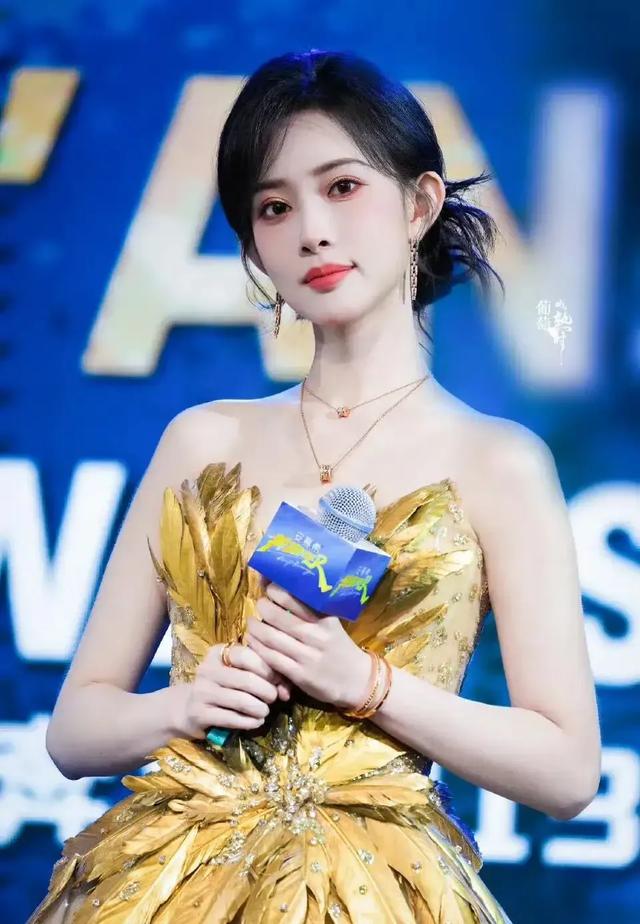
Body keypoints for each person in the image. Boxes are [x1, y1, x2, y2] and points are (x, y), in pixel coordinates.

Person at [29, 49, 601, 922]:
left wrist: (368, 685)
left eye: (342, 187)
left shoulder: (499, 462)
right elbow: (74, 732)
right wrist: (186, 704)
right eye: (274, 207)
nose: (312, 231)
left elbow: (566, 771)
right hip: (166, 882)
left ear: (420, 203)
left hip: (378, 892)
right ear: (254, 245)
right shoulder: (203, 440)